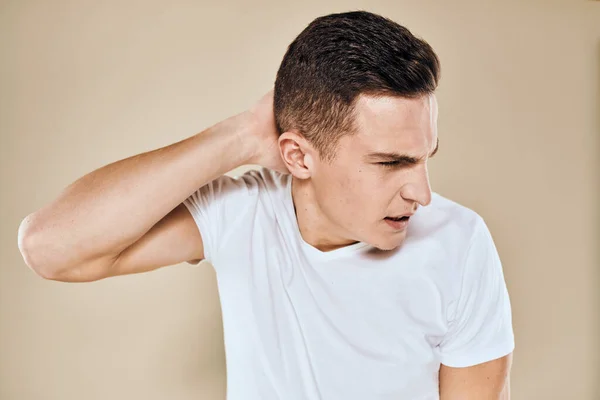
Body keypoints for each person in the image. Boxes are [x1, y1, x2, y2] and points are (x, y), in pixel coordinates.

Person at [18, 10, 515, 400]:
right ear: (297, 155)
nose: (422, 194)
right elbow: (50, 248)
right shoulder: (245, 214)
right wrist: (242, 136)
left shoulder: (458, 242)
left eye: (425, 158)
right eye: (391, 163)